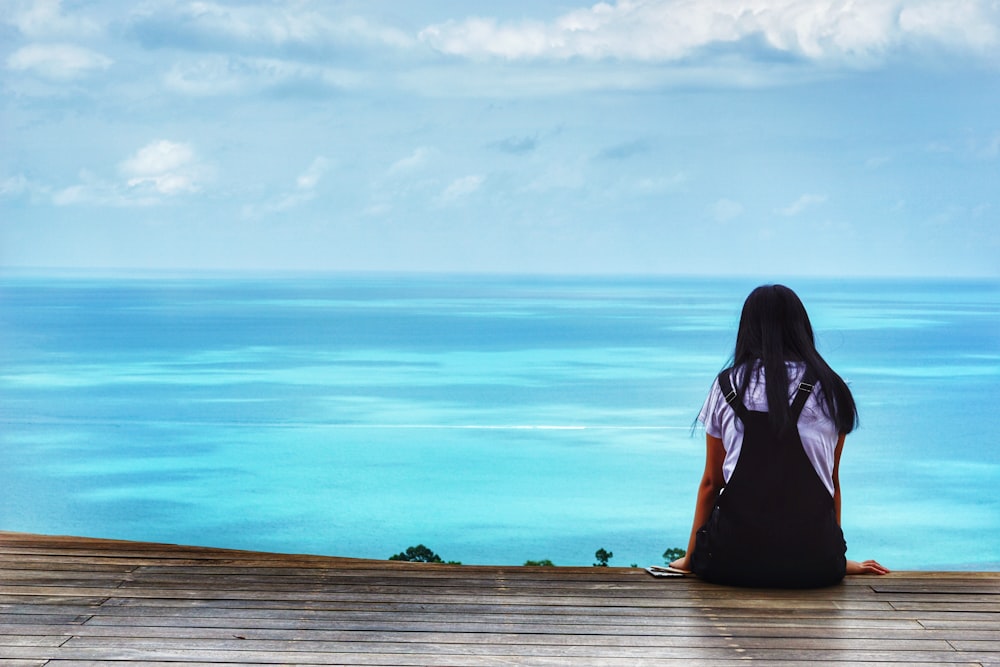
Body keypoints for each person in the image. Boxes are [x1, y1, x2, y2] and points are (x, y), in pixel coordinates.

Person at [670, 284, 888, 587]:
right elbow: (831, 481)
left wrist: (691, 559)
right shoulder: (832, 388)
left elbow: (712, 483)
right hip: (815, 567)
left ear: (747, 329)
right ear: (801, 328)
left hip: (731, 563)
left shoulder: (726, 387)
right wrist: (834, 559)